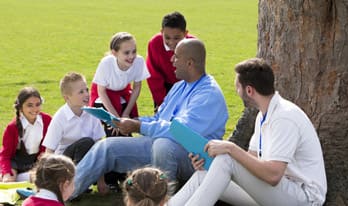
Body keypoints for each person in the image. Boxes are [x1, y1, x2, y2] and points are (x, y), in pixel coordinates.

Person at [70, 38, 228, 199]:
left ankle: (164, 200)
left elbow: (180, 132)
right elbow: (159, 118)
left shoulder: (208, 94)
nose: (172, 61)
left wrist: (138, 126)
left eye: (176, 57)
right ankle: (64, 193)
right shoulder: (179, 86)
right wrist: (130, 122)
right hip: (162, 145)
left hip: (196, 159)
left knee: (163, 145)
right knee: (107, 147)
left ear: (190, 63)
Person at [168, 58, 327, 206]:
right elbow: (250, 159)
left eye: (237, 87)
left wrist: (231, 148)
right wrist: (208, 163)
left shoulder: (285, 117)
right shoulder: (263, 115)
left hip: (303, 197)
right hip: (276, 192)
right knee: (205, 174)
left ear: (249, 90)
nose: (236, 91)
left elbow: (273, 175)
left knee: (226, 159)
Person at [89, 32, 150, 136]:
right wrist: (115, 117)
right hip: (103, 95)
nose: (131, 56)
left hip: (123, 92)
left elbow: (137, 87)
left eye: (134, 51)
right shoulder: (106, 63)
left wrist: (126, 113)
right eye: (126, 53)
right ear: (114, 53)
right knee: (115, 129)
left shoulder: (139, 61)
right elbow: (101, 91)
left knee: (128, 125)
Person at [42, 72, 105, 164]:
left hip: (88, 158)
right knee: (85, 143)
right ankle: (78, 177)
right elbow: (49, 150)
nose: (86, 94)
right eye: (81, 92)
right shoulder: (60, 118)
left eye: (87, 90)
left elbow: (99, 145)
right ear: (67, 98)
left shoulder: (92, 114)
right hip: (65, 162)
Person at [0, 87, 52, 182]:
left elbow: (51, 142)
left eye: (37, 104)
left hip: (35, 162)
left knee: (42, 178)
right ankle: (8, 177)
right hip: (15, 162)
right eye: (30, 105)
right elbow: (5, 155)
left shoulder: (47, 120)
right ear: (20, 107)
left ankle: (21, 178)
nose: (35, 109)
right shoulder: (12, 127)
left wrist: (44, 155)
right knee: (8, 180)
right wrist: (7, 172)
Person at [146, 11, 195, 112]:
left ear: (185, 34)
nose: (171, 42)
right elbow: (153, 76)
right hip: (164, 87)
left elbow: (195, 74)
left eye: (177, 38)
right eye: (167, 37)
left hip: (186, 86)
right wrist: (162, 102)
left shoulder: (194, 45)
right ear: (161, 32)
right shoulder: (154, 44)